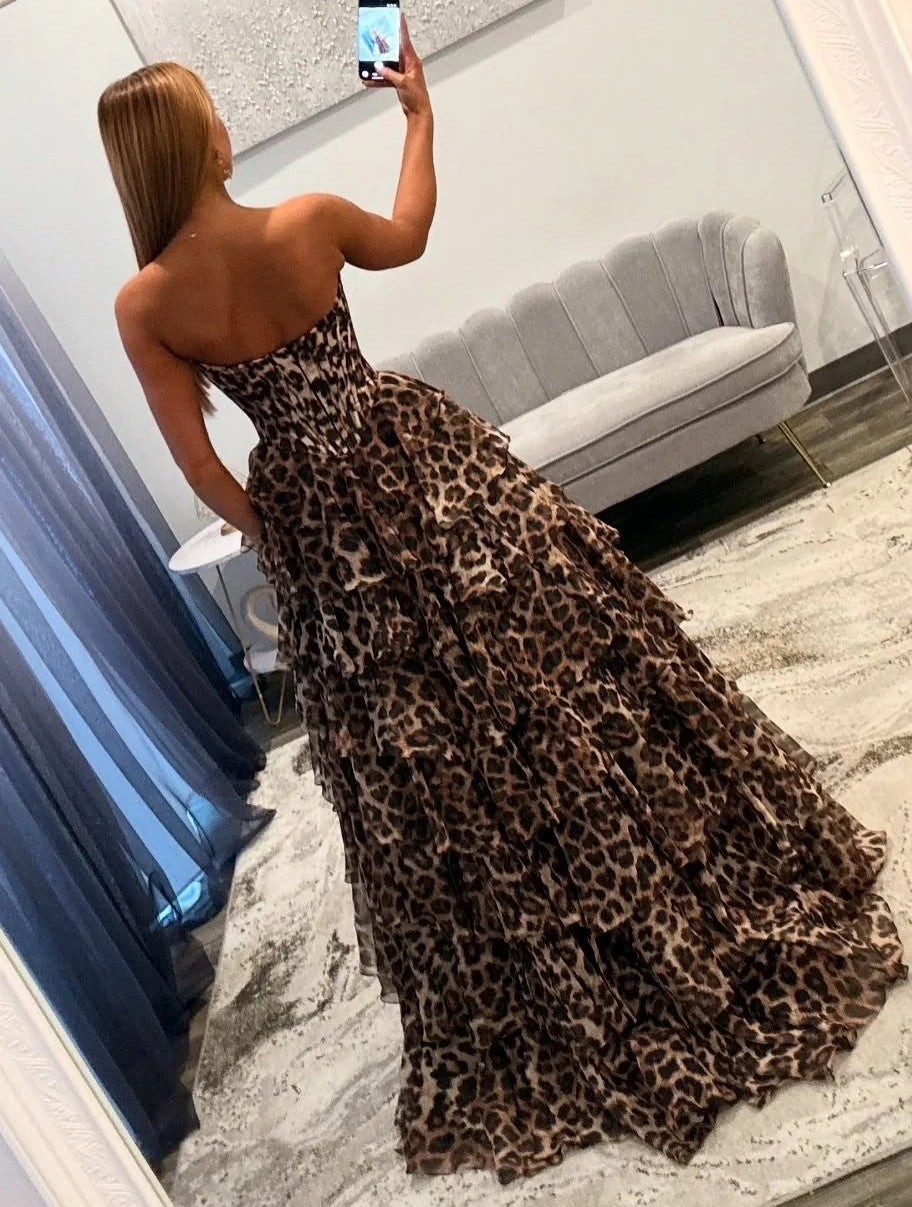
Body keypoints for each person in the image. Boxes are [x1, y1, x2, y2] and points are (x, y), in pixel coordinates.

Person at [98, 17, 905, 1184]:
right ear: (197, 144)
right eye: (211, 112)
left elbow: (203, 469)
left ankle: (536, 970)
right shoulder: (308, 220)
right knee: (550, 667)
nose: (225, 124)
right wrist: (416, 113)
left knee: (423, 751)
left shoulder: (144, 305)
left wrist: (300, 537)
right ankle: (656, 867)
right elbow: (410, 234)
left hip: (322, 531)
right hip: (418, 465)